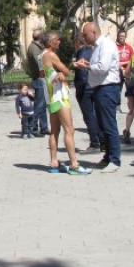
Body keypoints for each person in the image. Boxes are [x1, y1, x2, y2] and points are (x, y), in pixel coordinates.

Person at [41, 31, 91, 176]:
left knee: (54, 132)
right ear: (50, 42)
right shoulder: (51, 54)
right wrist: (68, 69)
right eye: (57, 40)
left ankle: (54, 163)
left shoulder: (41, 56)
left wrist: (68, 68)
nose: (59, 42)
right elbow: (65, 71)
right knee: (69, 130)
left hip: (50, 98)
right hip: (59, 96)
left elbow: (52, 73)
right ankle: (74, 164)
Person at [77, 22, 122, 173]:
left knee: (109, 124)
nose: (83, 37)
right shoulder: (96, 47)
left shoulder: (106, 45)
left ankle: (115, 159)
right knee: (102, 125)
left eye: (85, 34)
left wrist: (87, 66)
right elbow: (98, 65)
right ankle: (108, 156)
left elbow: (103, 67)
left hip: (107, 88)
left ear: (94, 32)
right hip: (99, 88)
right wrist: (89, 64)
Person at [73, 32, 101, 151]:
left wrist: (80, 88)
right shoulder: (94, 50)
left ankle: (95, 142)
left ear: (78, 43)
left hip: (85, 88)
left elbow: (82, 72)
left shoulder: (82, 52)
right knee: (96, 115)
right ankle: (102, 141)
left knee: (89, 116)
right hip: (95, 86)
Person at [26, 30, 50, 136]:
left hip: (40, 78)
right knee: (39, 105)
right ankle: (33, 128)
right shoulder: (34, 48)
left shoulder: (37, 47)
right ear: (40, 37)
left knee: (43, 104)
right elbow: (40, 64)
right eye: (43, 35)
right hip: (39, 79)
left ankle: (44, 127)